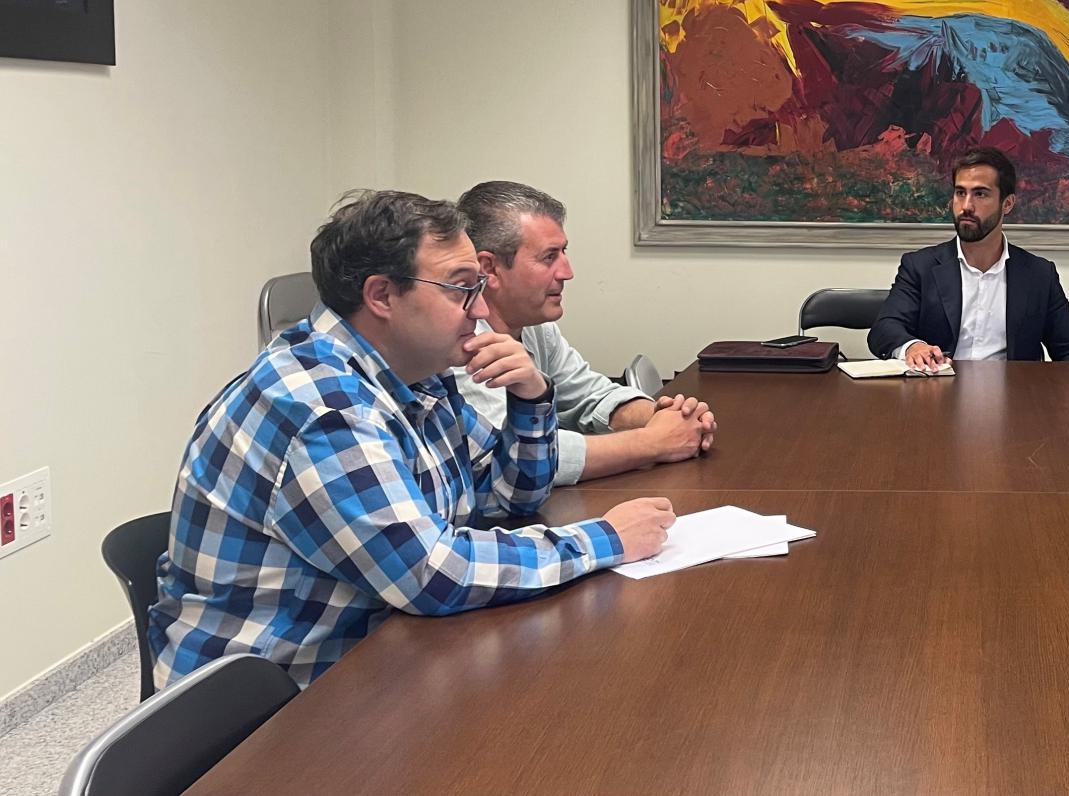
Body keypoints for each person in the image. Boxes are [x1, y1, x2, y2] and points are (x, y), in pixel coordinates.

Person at [149, 191, 677, 687]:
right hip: (275, 703)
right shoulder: (322, 408)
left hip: (375, 647)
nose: (479, 310)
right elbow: (433, 574)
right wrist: (607, 538)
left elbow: (507, 495)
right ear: (382, 295)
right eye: (460, 288)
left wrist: (531, 398)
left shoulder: (417, 375)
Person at [456, 181, 714, 484]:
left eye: (563, 252)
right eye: (549, 257)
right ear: (489, 268)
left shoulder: (536, 327)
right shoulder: (457, 344)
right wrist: (654, 442)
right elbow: (516, 458)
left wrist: (666, 416)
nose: (567, 272)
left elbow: (592, 395)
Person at [868, 146, 1069, 368]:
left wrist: (1047, 389)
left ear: (1007, 204)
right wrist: (912, 347)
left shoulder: (1038, 274)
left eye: (980, 194)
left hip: (1014, 388)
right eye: (960, 193)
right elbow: (884, 329)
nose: (966, 206)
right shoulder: (920, 266)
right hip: (939, 385)